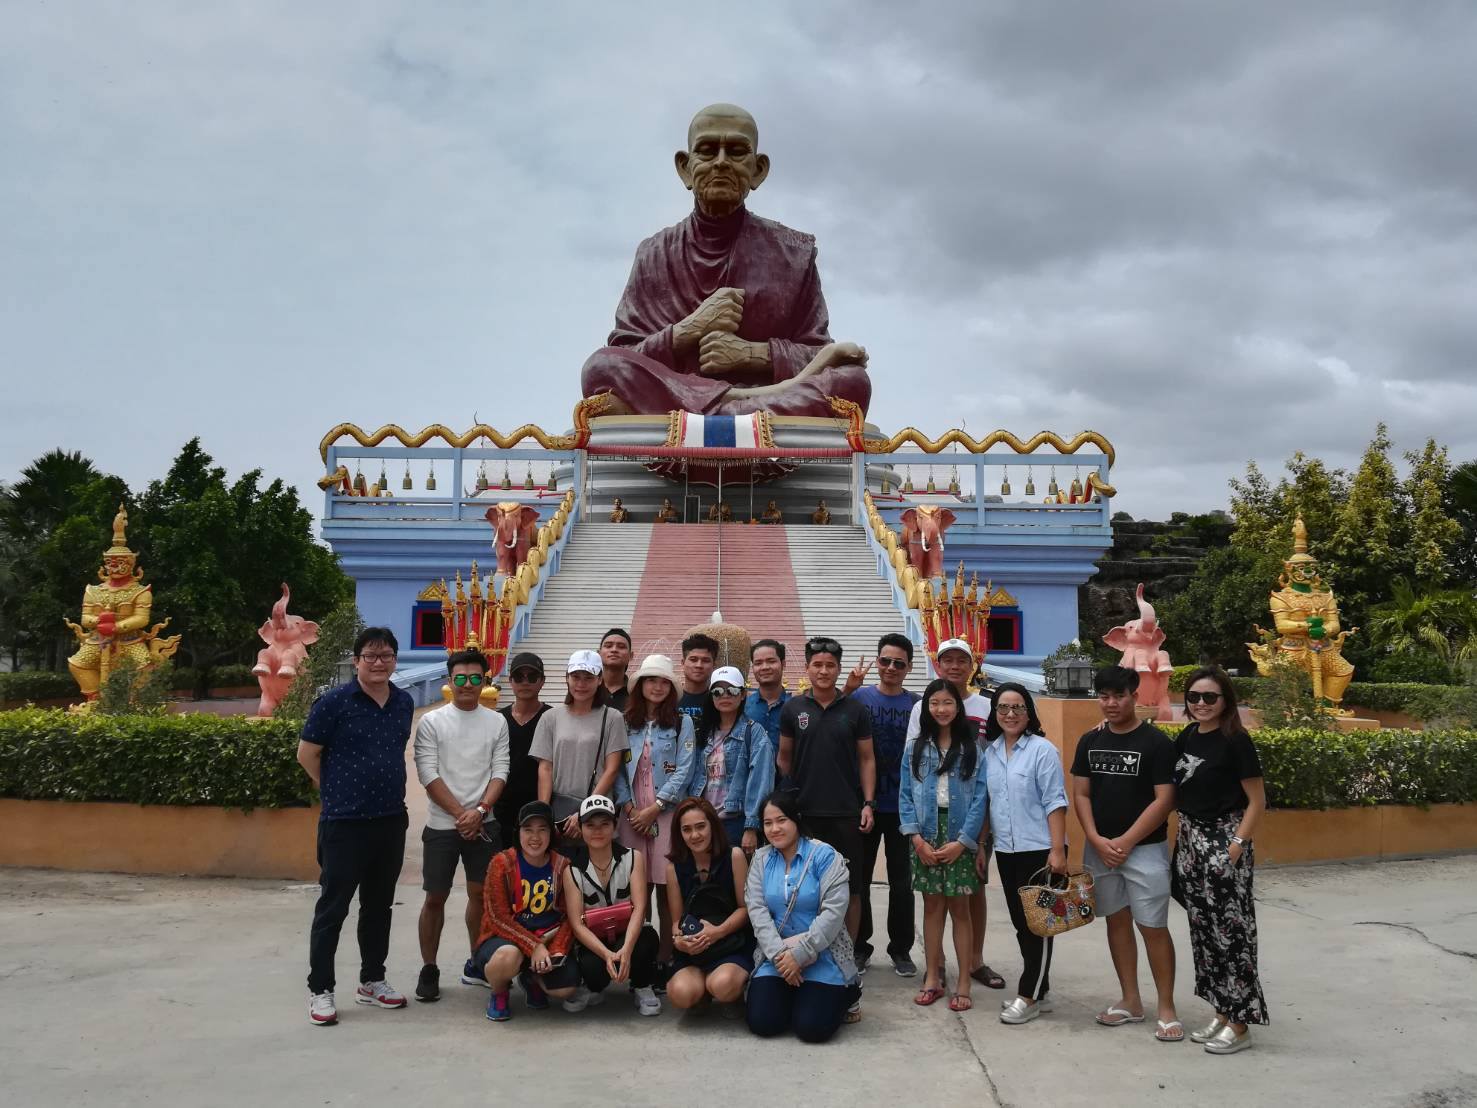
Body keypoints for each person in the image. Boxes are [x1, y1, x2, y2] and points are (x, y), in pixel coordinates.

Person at [579, 103, 871, 417]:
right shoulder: (654, 252)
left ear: (758, 170)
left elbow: (817, 353)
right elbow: (626, 353)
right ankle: (734, 409)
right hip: (746, 401)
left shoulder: (794, 251)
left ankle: (709, 413)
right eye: (707, 151)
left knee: (852, 381)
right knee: (601, 366)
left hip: (689, 404)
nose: (721, 162)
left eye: (736, 151)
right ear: (685, 167)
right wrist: (690, 329)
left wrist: (751, 354)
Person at [298, 627, 415, 1026]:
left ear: (395, 660)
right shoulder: (334, 702)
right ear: (356, 660)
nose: (378, 662)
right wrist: (334, 790)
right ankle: (321, 989)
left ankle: (372, 980)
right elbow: (307, 754)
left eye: (386, 656)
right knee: (333, 908)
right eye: (370, 656)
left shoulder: (403, 702)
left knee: (379, 907)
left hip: (389, 820)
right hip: (344, 823)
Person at [1071, 666, 1181, 1041]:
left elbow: (1164, 800)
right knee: (1116, 922)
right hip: (1100, 849)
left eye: (1119, 696)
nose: (1111, 703)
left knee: (1153, 926)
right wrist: (1095, 838)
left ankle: (1166, 1008)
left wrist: (1127, 841)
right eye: (1104, 696)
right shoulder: (1089, 740)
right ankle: (1131, 1000)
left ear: (1134, 696)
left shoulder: (1156, 743)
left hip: (1145, 850)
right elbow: (1081, 793)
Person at [1174, 667, 1268, 1055]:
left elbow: (1257, 801)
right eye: (1194, 697)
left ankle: (1241, 1022)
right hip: (1189, 842)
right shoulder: (1188, 736)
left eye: (1209, 697)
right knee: (1204, 932)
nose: (1201, 703)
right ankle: (1222, 1010)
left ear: (1225, 700)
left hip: (1224, 839)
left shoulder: (1236, 741)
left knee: (1233, 933)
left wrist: (1236, 845)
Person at [411, 648, 510, 1002]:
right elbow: (428, 773)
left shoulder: (496, 722)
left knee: (480, 895)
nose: (468, 684)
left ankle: (477, 961)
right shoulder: (432, 722)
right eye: (461, 678)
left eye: (475, 678)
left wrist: (480, 811)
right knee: (435, 896)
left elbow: (501, 770)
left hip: (485, 823)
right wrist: (460, 814)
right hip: (442, 825)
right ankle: (429, 967)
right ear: (450, 681)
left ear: (485, 681)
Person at [905, 638, 1002, 990]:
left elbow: (991, 766)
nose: (955, 666)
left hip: (972, 816)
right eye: (948, 660)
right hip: (929, 819)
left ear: (972, 665)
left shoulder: (986, 707)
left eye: (962, 660)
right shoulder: (921, 709)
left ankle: (974, 962)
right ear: (938, 664)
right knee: (933, 903)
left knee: (972, 892)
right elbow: (911, 776)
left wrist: (976, 835)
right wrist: (916, 834)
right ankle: (937, 966)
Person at [899, 679, 989, 1013]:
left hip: (958, 837)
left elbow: (980, 798)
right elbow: (905, 795)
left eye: (948, 702)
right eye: (934, 703)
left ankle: (963, 982)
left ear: (958, 707)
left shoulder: (972, 748)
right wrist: (916, 839)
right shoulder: (914, 748)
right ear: (926, 708)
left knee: (960, 909)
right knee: (932, 907)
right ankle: (933, 977)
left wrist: (964, 842)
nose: (941, 709)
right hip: (925, 836)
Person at [983, 683, 1069, 1025]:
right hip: (1007, 850)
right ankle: (1040, 991)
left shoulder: (1042, 751)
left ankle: (1028, 995)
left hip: (1040, 850)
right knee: (1022, 924)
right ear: (995, 713)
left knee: (1039, 927)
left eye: (1018, 707)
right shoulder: (990, 753)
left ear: (1029, 712)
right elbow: (989, 804)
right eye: (1003, 708)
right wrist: (983, 846)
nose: (1010, 714)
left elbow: (1055, 801)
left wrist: (1057, 850)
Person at [745, 791, 859, 1042]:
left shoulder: (825, 855)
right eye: (767, 823)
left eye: (781, 820)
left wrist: (800, 955)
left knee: (812, 1029)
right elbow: (757, 912)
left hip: (822, 953)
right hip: (777, 956)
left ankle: (849, 992)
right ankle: (798, 996)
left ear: (796, 818)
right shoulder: (761, 859)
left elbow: (834, 913)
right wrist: (781, 956)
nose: (774, 829)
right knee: (763, 1022)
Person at [616, 654, 698, 964]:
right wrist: (629, 808)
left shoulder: (681, 722)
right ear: (640, 684)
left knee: (667, 888)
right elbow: (616, 769)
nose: (657, 687)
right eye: (651, 680)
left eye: (664, 682)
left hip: (667, 814)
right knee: (638, 890)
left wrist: (657, 806)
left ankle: (667, 957)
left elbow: (685, 769)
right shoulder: (624, 722)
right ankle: (641, 960)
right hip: (632, 815)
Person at [849, 633, 921, 977]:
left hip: (903, 806)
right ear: (877, 661)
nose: (891, 668)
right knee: (859, 880)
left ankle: (901, 949)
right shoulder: (859, 698)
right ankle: (860, 946)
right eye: (885, 661)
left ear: (909, 667)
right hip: (865, 804)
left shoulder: (917, 705)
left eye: (898, 663)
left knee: (902, 882)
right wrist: (847, 689)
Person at [473, 801, 581, 1022]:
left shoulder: (563, 866)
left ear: (551, 833)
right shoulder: (502, 863)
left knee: (566, 988)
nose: (535, 837)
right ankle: (499, 992)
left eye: (542, 829)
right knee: (507, 957)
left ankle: (532, 978)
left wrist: (557, 949)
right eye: (528, 829)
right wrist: (534, 946)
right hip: (504, 940)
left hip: (548, 939)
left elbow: (571, 916)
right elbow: (498, 918)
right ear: (518, 832)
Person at [562, 795, 663, 1015]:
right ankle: (593, 988)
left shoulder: (633, 858)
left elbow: (639, 909)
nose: (597, 831)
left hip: (629, 935)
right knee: (590, 966)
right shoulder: (572, 870)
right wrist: (607, 954)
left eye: (604, 824)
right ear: (581, 828)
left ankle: (642, 985)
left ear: (615, 826)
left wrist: (626, 949)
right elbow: (577, 925)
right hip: (597, 939)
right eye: (590, 825)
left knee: (646, 942)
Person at [664, 797, 754, 1010]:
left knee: (723, 985)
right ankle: (701, 990)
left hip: (731, 942)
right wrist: (679, 941)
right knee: (680, 993)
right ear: (679, 833)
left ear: (713, 825)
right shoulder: (673, 868)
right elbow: (676, 920)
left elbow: (745, 909)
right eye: (686, 829)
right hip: (694, 948)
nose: (694, 835)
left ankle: (728, 987)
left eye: (700, 826)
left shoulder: (734, 856)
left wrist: (717, 932)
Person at [532, 650, 630, 843]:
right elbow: (545, 768)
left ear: (600, 680)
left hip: (597, 810)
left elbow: (611, 770)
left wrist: (586, 811)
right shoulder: (550, 718)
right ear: (566, 678)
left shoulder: (613, 718)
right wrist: (544, 812)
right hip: (559, 810)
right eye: (575, 677)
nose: (581, 684)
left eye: (588, 678)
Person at [691, 666, 774, 857]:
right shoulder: (702, 732)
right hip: (703, 821)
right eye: (718, 691)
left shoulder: (754, 732)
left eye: (732, 690)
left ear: (743, 694)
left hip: (736, 822)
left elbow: (761, 780)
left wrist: (751, 827)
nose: (725, 696)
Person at [495, 652, 551, 837]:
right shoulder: (497, 720)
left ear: (542, 681)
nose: (525, 682)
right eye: (519, 677)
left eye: (532, 677)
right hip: (501, 812)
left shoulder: (553, 718)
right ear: (510, 681)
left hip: (540, 810)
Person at [744, 639, 790, 747]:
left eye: (771, 661)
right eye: (758, 663)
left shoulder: (795, 707)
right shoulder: (743, 707)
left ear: (783, 664)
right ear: (753, 667)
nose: (764, 667)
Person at [678, 633, 719, 722]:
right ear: (683, 663)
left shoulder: (720, 700)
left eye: (706, 660)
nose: (699, 665)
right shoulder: (669, 699)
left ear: (714, 665)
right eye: (693, 660)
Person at [598, 628, 632, 712]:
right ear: (599, 653)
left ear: (631, 656)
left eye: (621, 647)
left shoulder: (636, 693)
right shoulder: (588, 689)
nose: (614, 650)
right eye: (608, 646)